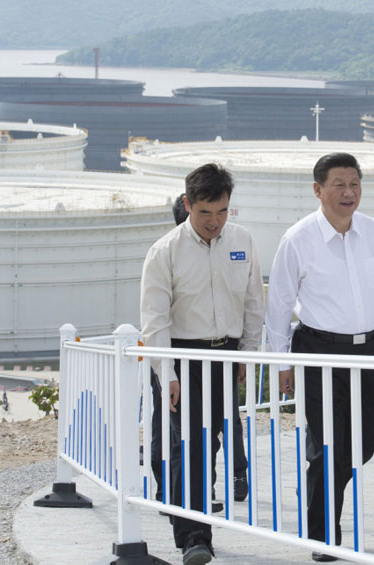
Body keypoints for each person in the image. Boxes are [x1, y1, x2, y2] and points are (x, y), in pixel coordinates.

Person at [265, 152, 374, 562]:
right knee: (328, 443)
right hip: (319, 351)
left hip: (371, 350)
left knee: (364, 441)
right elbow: (278, 305)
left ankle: (316, 484)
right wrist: (282, 363)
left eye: (355, 183)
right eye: (339, 184)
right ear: (318, 190)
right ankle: (324, 536)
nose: (348, 192)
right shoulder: (298, 238)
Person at [141, 164, 264, 565]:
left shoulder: (242, 240)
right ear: (188, 204)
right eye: (205, 213)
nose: (215, 222)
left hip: (224, 355)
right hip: (181, 357)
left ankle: (186, 511)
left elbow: (252, 302)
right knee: (189, 441)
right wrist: (168, 374)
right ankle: (194, 536)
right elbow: (155, 320)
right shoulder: (164, 252)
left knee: (208, 442)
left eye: (222, 212)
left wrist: (246, 353)